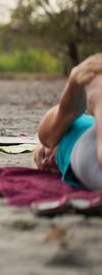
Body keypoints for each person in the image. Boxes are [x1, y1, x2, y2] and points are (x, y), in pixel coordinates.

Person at [34, 53, 102, 190]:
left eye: (42, 155)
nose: (46, 162)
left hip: (79, 136)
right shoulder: (71, 164)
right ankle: (97, 98)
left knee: (46, 134)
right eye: (47, 169)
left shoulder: (79, 126)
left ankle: (69, 108)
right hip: (85, 150)